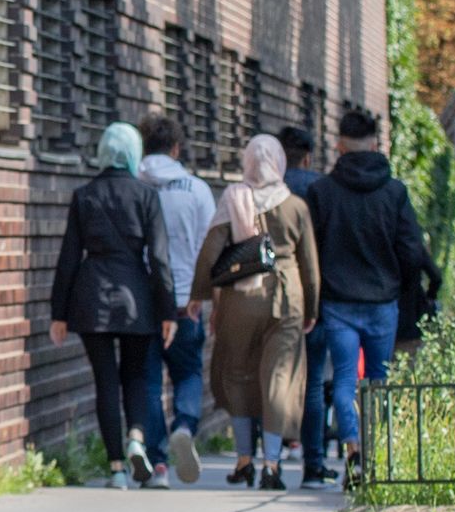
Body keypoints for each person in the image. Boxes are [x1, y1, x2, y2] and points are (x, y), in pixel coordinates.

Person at [308, 104, 439, 488]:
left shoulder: (322, 192)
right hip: (383, 299)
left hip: (337, 301)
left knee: (346, 377)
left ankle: (353, 449)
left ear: (339, 146)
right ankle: (378, 449)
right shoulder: (394, 191)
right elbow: (412, 250)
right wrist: (403, 288)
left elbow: (312, 249)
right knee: (380, 378)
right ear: (376, 143)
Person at [51, 120, 178, 486]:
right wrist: (168, 310)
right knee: (136, 376)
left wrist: (58, 313)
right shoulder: (146, 196)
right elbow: (159, 257)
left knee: (105, 381)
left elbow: (69, 256)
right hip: (137, 297)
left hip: (91, 297)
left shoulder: (85, 195)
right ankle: (137, 437)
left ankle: (117, 469)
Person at [191, 132, 320, 487]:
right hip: (286, 298)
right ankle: (273, 464)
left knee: (238, 375)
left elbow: (210, 252)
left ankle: (244, 459)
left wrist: (199, 296)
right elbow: (309, 265)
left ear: (247, 162)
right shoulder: (295, 207)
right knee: (278, 377)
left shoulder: (233, 199)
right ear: (278, 163)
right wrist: (311, 307)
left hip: (239, 300)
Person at [138, 116, 217, 482]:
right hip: (187, 300)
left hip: (145, 300)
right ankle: (184, 425)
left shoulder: (136, 183)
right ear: (176, 148)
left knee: (150, 380)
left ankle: (157, 464)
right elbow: (209, 248)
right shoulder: (197, 190)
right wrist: (204, 294)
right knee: (187, 372)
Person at [279, 124, 331, 483]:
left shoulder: (268, 189)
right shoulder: (320, 189)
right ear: (309, 156)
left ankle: (265, 460)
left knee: (271, 376)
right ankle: (312, 464)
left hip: (274, 296)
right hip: (314, 294)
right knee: (313, 382)